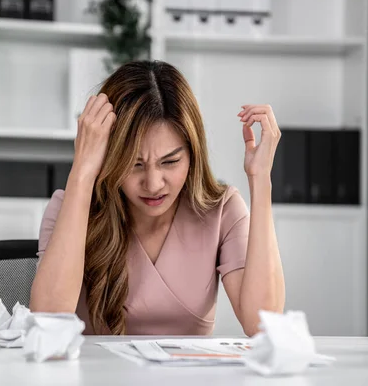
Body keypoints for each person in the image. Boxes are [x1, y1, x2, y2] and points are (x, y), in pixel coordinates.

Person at [30, 60, 285, 336]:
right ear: (109, 158)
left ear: (192, 155)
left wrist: (260, 179)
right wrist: (82, 171)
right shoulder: (68, 207)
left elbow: (262, 325)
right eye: (134, 164)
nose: (153, 184)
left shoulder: (221, 211)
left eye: (170, 162)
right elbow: (48, 323)